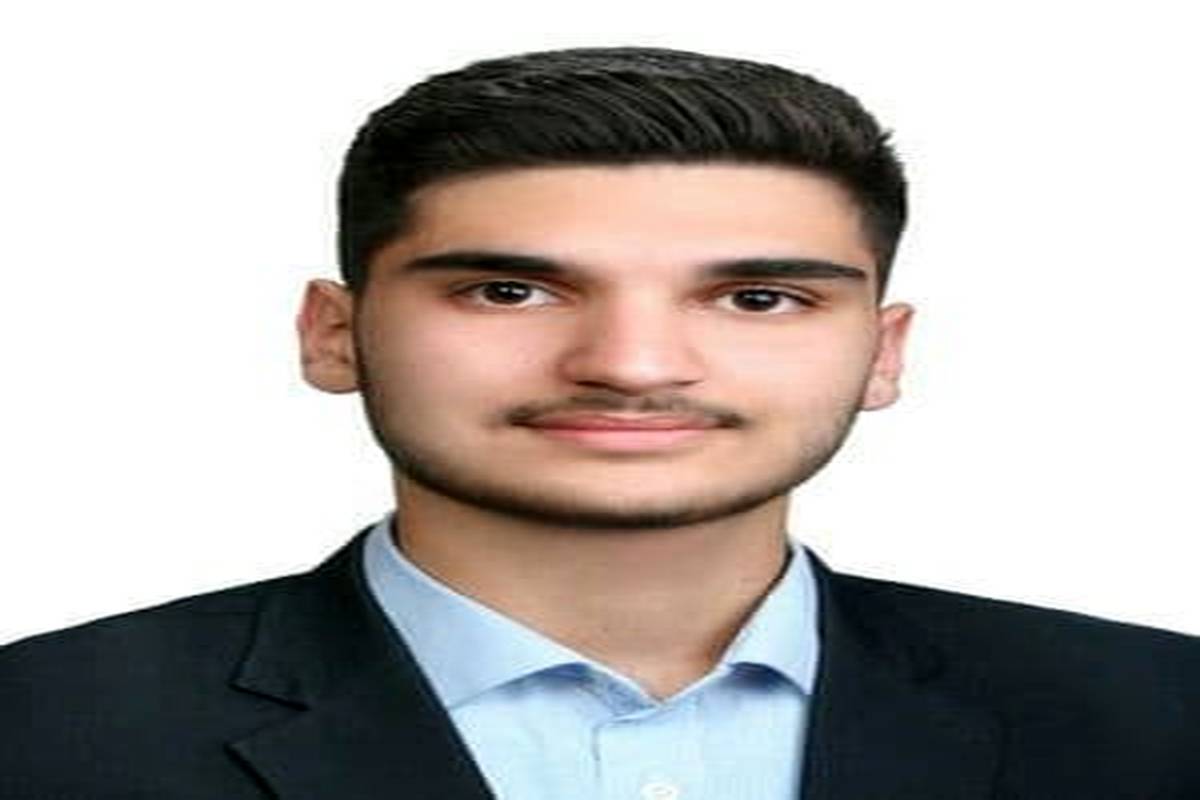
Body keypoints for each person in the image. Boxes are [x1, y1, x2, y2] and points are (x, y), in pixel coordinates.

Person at [1, 44, 1197, 799]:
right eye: (508, 290)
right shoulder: (39, 730)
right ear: (334, 333)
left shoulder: (1163, 717)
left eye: (757, 297)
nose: (632, 364)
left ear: (883, 352)